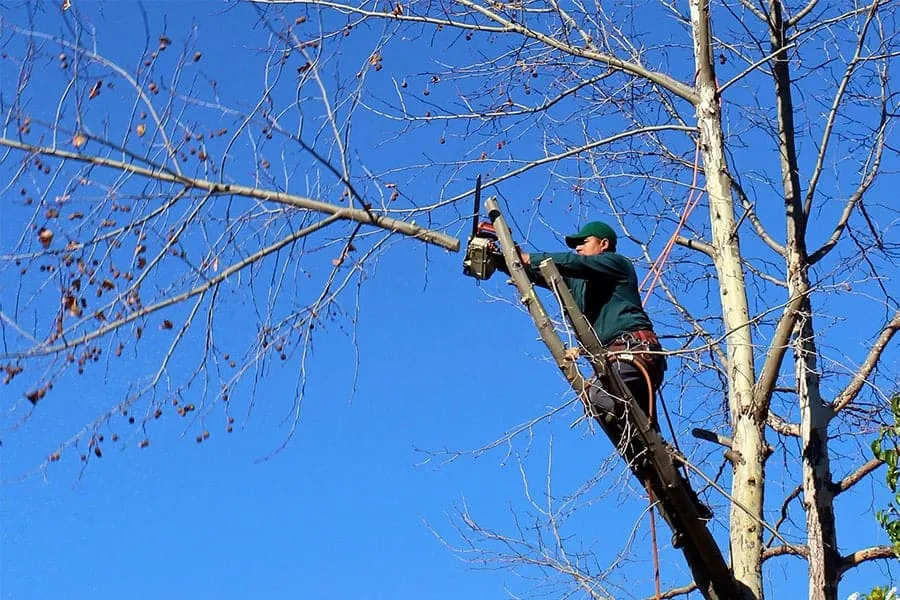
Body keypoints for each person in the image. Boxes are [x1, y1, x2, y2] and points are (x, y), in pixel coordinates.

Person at [516, 221, 666, 423]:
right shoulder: (578, 281)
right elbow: (541, 273)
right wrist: (504, 259)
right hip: (613, 360)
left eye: (584, 242)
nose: (578, 248)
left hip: (633, 351)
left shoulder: (616, 263)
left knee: (598, 397)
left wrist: (530, 258)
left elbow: (573, 263)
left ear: (603, 244)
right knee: (636, 436)